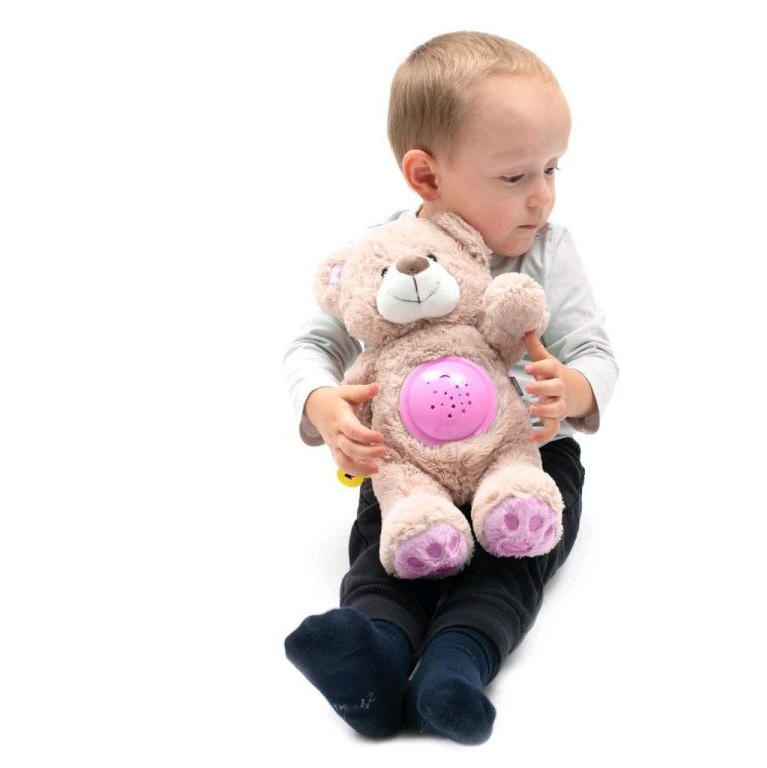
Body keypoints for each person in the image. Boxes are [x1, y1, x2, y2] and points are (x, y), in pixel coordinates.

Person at [282, 31, 619, 745]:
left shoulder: (548, 251)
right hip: (409, 462)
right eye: (515, 176)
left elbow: (593, 351)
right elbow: (314, 345)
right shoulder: (383, 253)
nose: (542, 196)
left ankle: (454, 668)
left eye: (552, 168)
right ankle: (371, 663)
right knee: (389, 551)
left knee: (510, 564)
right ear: (427, 177)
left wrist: (574, 389)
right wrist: (323, 404)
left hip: (526, 457)